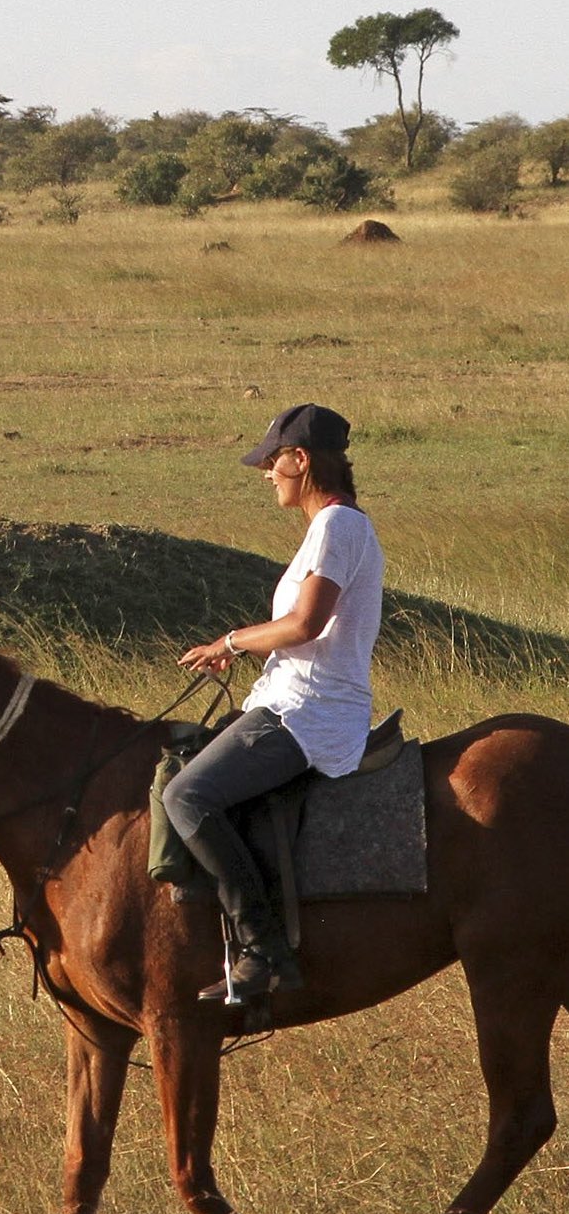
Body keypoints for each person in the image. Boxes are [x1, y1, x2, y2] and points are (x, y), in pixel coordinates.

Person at [162, 403, 384, 1004]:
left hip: (309, 713)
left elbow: (305, 625)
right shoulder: (330, 528)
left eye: (272, 461)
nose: (267, 473)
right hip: (288, 701)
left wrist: (229, 642)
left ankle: (264, 951)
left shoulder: (339, 527)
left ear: (302, 459)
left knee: (187, 795)